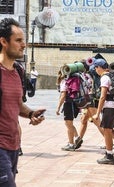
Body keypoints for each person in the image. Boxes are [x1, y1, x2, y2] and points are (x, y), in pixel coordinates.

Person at [0, 17, 45, 186]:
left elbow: (16, 104)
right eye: (18, 40)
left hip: (13, 146)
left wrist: (31, 113)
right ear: (4, 42)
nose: (23, 45)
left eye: (23, 40)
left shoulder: (17, 71)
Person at [56, 68, 81, 151]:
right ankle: (77, 138)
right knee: (69, 123)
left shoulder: (64, 82)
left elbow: (63, 96)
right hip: (73, 103)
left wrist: (58, 107)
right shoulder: (70, 80)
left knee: (68, 124)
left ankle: (71, 144)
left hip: (68, 104)